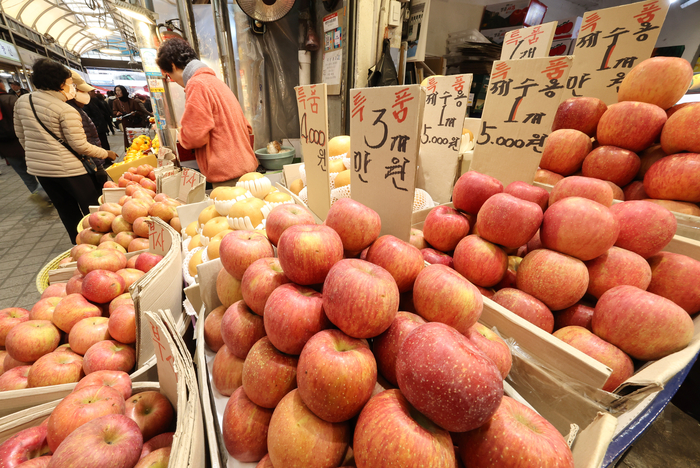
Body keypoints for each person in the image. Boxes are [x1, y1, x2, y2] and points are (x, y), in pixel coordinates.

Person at [14, 58, 117, 244]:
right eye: (70, 83)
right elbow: (80, 145)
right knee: (93, 208)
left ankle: (79, 244)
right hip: (70, 170)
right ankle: (100, 243)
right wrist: (106, 153)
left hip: (41, 171)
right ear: (60, 83)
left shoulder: (23, 102)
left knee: (65, 209)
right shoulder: (65, 110)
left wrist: (39, 155)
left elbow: (21, 136)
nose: (73, 88)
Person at [156, 38, 258, 187]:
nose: (175, 81)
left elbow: (195, 136)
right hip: (247, 170)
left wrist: (181, 135)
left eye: (170, 76)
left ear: (173, 65)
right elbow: (247, 127)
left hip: (228, 176)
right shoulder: (216, 82)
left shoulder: (196, 84)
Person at [0, 81, 51, 207]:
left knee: (24, 174)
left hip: (6, 148)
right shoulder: (12, 99)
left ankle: (42, 199)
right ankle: (43, 193)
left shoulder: (11, 98)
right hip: (23, 143)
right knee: (43, 170)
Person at [112, 85, 152, 149]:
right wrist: (117, 113)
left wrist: (134, 113)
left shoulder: (133, 101)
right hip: (126, 123)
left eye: (119, 90)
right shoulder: (116, 102)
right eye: (116, 90)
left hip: (136, 123)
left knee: (138, 140)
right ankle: (130, 151)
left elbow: (141, 112)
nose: (117, 92)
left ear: (123, 91)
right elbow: (114, 111)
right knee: (128, 140)